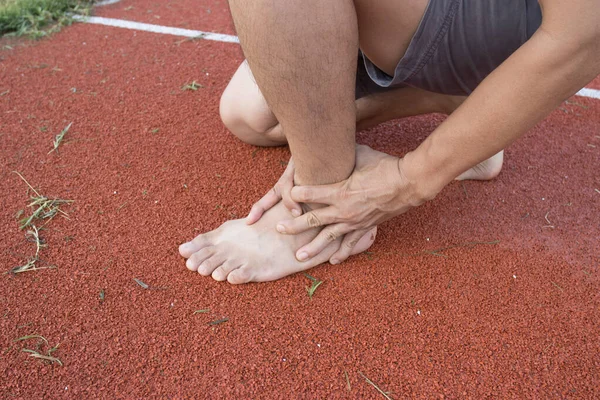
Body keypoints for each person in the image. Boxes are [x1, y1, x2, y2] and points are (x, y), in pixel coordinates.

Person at [179, 0, 600, 284]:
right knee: (250, 116)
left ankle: (315, 208)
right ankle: (467, 106)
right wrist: (315, 126)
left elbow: (585, 33)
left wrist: (407, 179)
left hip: (529, 22)